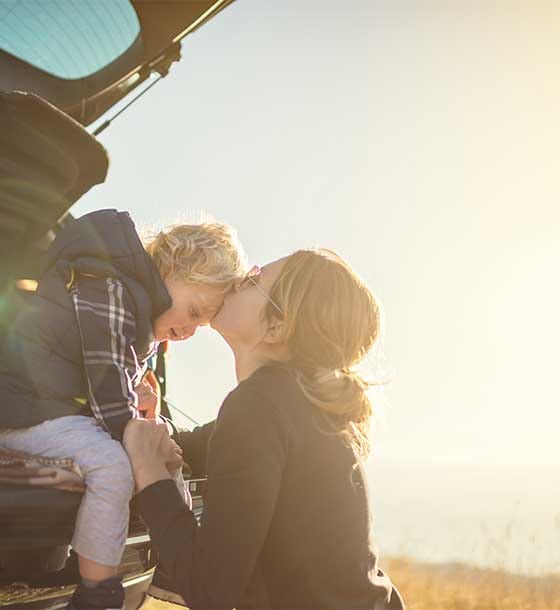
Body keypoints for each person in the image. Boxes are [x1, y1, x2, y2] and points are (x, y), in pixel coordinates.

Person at [124, 248, 406, 610]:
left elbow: (210, 589)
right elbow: (189, 448)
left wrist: (150, 474)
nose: (241, 278)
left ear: (276, 327)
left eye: (255, 279)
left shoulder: (260, 406)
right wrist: (149, 420)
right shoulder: (293, 404)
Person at [0, 209, 247, 610]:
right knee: (113, 466)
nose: (189, 331)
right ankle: (98, 594)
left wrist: (151, 421)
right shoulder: (106, 285)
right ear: (172, 267)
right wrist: (138, 437)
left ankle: (178, 568)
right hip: (25, 412)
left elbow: (116, 390)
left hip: (57, 412)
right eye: (195, 312)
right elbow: (105, 376)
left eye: (201, 325)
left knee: (164, 456)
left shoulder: (136, 310)